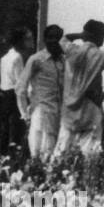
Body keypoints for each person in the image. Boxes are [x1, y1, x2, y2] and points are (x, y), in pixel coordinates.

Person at [53, 19, 104, 162]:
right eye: (102, 34)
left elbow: (63, 39)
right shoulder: (102, 55)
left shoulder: (72, 50)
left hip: (69, 108)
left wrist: (81, 34)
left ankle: (56, 177)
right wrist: (101, 98)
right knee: (90, 153)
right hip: (91, 106)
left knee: (62, 148)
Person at [17, 25, 65, 163]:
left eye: (57, 37)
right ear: (44, 39)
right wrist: (25, 114)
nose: (54, 41)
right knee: (40, 155)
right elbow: (21, 88)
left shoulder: (63, 61)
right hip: (42, 112)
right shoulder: (36, 59)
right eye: (51, 37)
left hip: (59, 114)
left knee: (55, 157)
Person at [0, 26, 31, 158]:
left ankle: (3, 161)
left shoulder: (4, 57)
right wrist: (24, 111)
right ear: (20, 41)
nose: (30, 42)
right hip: (13, 98)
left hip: (4, 98)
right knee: (15, 134)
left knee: (5, 133)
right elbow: (20, 86)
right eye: (27, 39)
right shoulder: (17, 57)